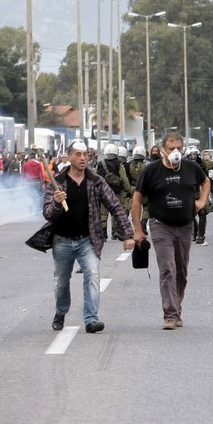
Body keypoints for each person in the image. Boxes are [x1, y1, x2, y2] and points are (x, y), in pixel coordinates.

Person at [43, 140, 134, 333]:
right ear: (68, 157)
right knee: (61, 281)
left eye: (85, 155)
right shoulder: (57, 182)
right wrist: (57, 203)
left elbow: (115, 206)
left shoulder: (96, 181)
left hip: (88, 240)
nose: (83, 158)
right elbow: (47, 214)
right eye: (78, 154)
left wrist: (127, 234)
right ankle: (60, 312)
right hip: (62, 240)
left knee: (92, 275)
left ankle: (91, 319)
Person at [132, 132, 210, 330]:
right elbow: (137, 199)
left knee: (181, 271)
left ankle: (177, 308)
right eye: (170, 148)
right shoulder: (151, 171)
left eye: (178, 148)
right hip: (160, 225)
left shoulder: (191, 168)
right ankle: (170, 314)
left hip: (185, 226)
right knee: (167, 268)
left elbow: (205, 181)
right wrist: (138, 229)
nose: (175, 152)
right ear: (162, 150)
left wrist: (202, 201)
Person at [96, 144, 132, 240]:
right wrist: (128, 189)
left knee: (103, 213)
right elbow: (124, 178)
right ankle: (116, 231)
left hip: (102, 191)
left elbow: (95, 177)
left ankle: (103, 233)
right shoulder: (118, 163)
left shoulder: (100, 163)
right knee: (115, 210)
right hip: (116, 192)